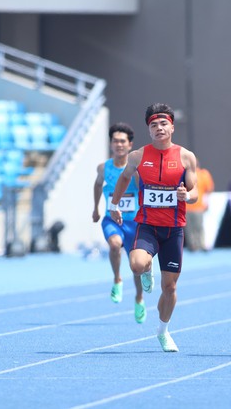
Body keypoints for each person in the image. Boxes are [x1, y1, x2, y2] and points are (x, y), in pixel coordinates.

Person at [109, 102, 199, 352]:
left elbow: (195, 192)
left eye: (163, 123)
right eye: (153, 125)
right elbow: (125, 177)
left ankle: (163, 330)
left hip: (173, 230)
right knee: (137, 264)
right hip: (147, 225)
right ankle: (147, 269)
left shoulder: (186, 157)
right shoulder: (138, 156)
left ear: (171, 127)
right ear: (149, 130)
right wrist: (114, 204)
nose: (159, 128)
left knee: (169, 288)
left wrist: (186, 197)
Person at [92, 122, 146, 324]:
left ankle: (139, 297)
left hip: (134, 222)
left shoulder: (136, 169)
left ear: (130, 144)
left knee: (137, 266)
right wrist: (96, 208)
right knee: (114, 245)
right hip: (112, 219)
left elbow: (143, 191)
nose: (119, 144)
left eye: (122, 141)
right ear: (110, 144)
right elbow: (97, 185)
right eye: (115, 141)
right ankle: (117, 279)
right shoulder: (103, 168)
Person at [184, 160, 214, 252]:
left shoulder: (203, 174)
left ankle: (201, 244)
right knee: (189, 228)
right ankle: (192, 245)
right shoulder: (184, 174)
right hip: (187, 206)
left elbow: (208, 190)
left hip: (198, 205)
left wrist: (206, 202)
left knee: (199, 226)